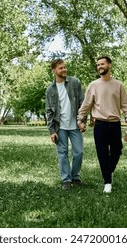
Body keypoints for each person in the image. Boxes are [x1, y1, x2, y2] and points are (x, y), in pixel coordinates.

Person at [77, 56, 127, 194]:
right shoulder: (93, 85)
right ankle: (107, 182)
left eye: (102, 64)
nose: (99, 67)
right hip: (100, 125)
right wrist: (80, 119)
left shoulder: (118, 85)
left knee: (117, 151)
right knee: (102, 154)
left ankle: (108, 170)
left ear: (109, 65)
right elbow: (86, 104)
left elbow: (125, 106)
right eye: (98, 65)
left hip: (115, 124)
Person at [45, 58, 85, 190]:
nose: (64, 70)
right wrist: (52, 131)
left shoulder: (74, 82)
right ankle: (66, 180)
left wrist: (82, 121)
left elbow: (82, 103)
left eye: (64, 67)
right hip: (59, 127)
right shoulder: (50, 90)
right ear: (54, 70)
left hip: (75, 125)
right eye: (61, 68)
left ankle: (75, 176)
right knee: (62, 153)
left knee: (78, 152)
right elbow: (49, 112)